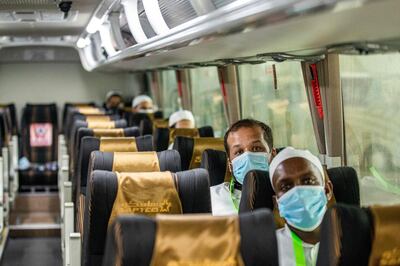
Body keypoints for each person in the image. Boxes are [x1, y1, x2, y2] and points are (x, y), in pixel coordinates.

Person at [269, 147, 333, 266]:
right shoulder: (265, 252)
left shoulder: (355, 242)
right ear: (277, 203)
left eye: (308, 181)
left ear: (327, 190)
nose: (298, 193)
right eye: (286, 187)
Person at [210, 119, 276, 216]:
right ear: (230, 164)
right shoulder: (211, 197)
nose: (248, 156)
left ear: (273, 155)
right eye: (239, 152)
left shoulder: (290, 195)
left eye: (256, 148)